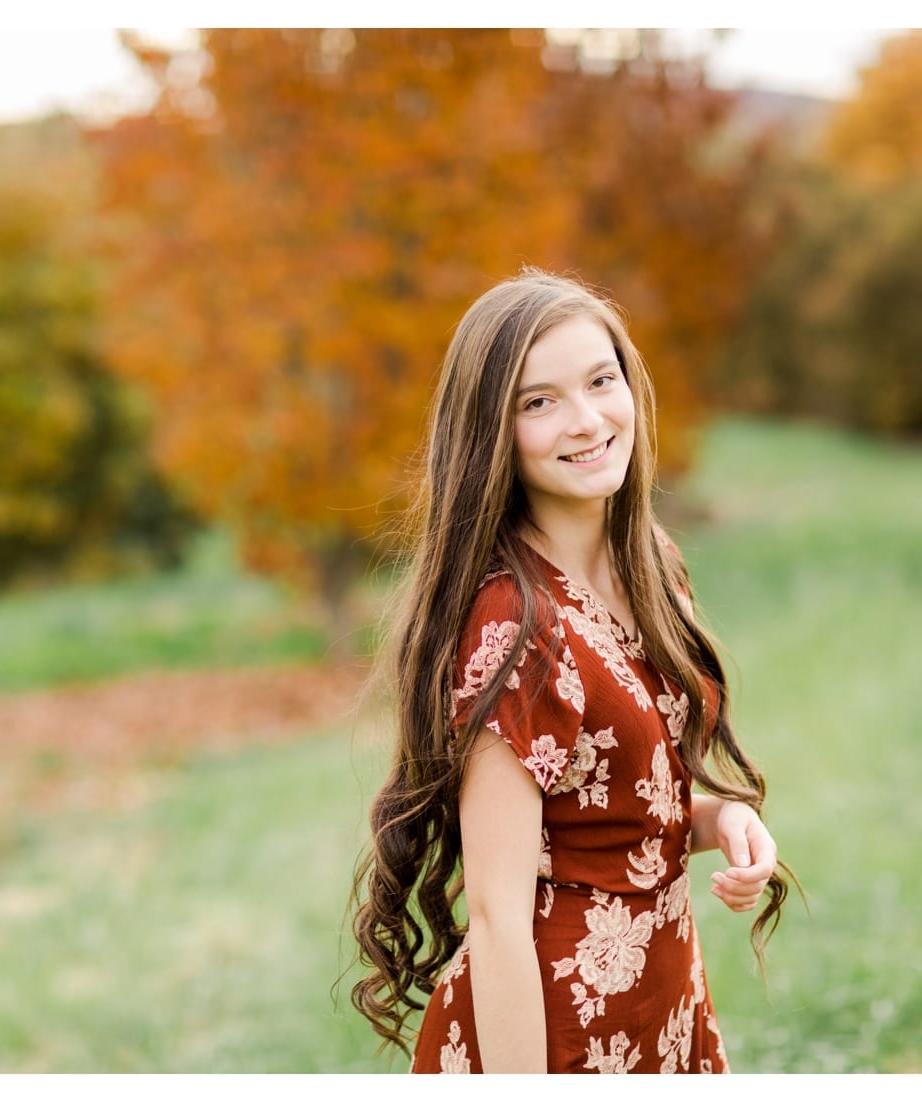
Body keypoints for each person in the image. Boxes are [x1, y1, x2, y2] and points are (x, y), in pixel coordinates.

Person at [349, 269, 793, 1073]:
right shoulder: (515, 628)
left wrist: (721, 817)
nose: (587, 420)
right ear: (493, 431)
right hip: (550, 1039)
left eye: (601, 381)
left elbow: (612, 817)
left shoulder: (653, 566)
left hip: (661, 1012)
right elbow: (496, 911)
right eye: (539, 401)